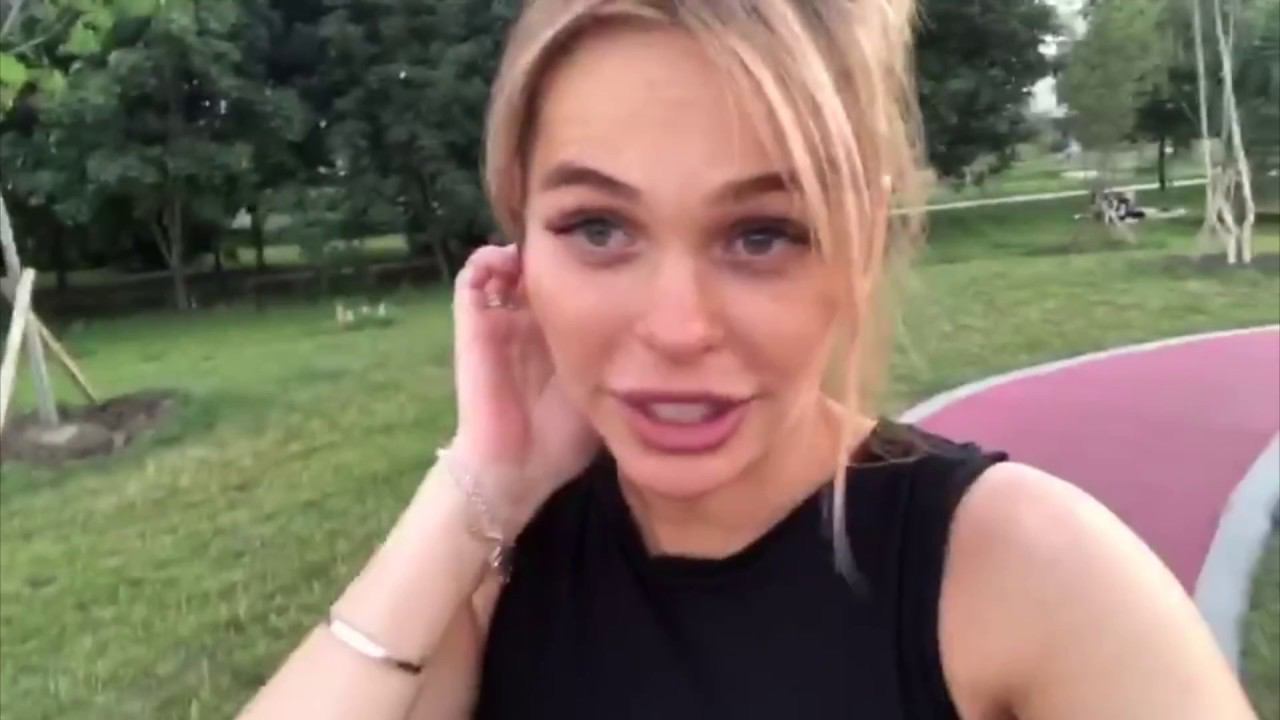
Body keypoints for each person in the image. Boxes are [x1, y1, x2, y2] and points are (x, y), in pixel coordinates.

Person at [238, 1, 1256, 718]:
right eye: (597, 228)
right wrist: (480, 485)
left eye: (762, 234)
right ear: (522, 249)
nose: (677, 327)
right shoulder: (490, 573)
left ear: (860, 245)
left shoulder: (1031, 575)